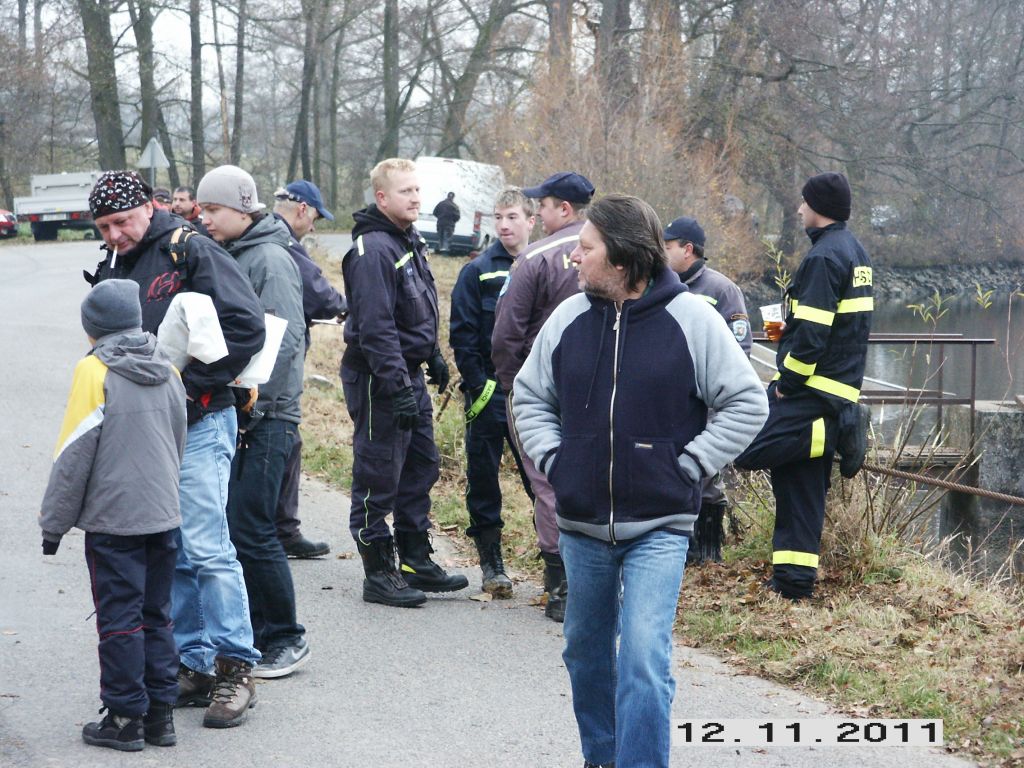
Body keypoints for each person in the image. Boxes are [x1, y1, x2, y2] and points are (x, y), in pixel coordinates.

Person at [512, 194, 768, 768]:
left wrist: (688, 466)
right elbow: (528, 397)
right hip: (581, 525)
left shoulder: (693, 319)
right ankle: (602, 757)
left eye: (586, 247)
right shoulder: (568, 318)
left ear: (623, 258)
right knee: (585, 655)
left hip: (660, 525)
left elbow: (747, 403)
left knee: (644, 661)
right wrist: (557, 461)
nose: (573, 256)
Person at [87, 169, 266, 729]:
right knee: (175, 549)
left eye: (122, 222)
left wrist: (188, 391)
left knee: (208, 547)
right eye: (104, 227)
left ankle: (237, 667)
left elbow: (247, 327)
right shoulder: (117, 261)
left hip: (203, 421)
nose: (114, 234)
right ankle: (194, 663)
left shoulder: (192, 249)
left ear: (148, 206)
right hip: (148, 434)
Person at [39, 280, 187, 752]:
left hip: (115, 520)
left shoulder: (94, 369)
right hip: (164, 513)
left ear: (93, 328)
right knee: (157, 614)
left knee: (119, 617)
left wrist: (53, 524)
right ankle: (161, 714)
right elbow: (178, 438)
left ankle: (124, 717)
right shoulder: (168, 365)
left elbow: (75, 452)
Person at [735, 171, 873, 600]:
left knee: (743, 447)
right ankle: (793, 583)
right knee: (800, 486)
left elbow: (813, 334)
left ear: (820, 208)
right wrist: (784, 331)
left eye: (804, 203)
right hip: (836, 388)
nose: (798, 210)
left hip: (813, 389)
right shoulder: (854, 251)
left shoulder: (823, 258)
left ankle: (835, 429)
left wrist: (787, 383)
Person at [196, 165, 311, 677]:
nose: (204, 218)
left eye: (213, 209)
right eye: (201, 209)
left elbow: (283, 342)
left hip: (268, 415)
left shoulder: (268, 259)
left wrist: (253, 407)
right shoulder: (234, 252)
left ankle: (286, 637)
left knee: (254, 528)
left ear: (243, 209)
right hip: (243, 412)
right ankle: (257, 633)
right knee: (240, 527)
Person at [341, 157, 468, 607]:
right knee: (378, 473)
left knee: (421, 465)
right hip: (379, 378)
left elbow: (414, 308)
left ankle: (415, 558)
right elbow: (376, 329)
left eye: (417, 190)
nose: (416, 198)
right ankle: (378, 573)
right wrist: (396, 387)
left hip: (407, 372)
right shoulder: (373, 250)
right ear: (382, 198)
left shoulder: (407, 239)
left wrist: (432, 354)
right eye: (405, 191)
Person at [491, 170, 594, 622]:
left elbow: (506, 332)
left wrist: (512, 383)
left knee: (549, 480)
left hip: (543, 388)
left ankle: (561, 584)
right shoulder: (615, 254)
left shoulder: (534, 258)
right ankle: (593, 578)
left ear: (564, 209)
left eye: (544, 206)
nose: (539, 212)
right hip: (599, 388)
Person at [449, 187, 536, 596]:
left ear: (531, 221)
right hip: (488, 393)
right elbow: (463, 335)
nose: (504, 225)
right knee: (483, 479)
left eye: (512, 217)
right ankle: (491, 563)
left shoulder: (545, 265)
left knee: (542, 481)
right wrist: (478, 385)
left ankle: (557, 564)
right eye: (498, 217)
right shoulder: (478, 270)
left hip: (535, 396)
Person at [663, 215, 752, 564]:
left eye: (667, 246)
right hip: (671, 399)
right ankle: (680, 545)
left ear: (688, 250)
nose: (661, 252)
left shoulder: (721, 290)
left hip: (707, 400)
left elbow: (740, 347)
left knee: (708, 474)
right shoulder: (661, 286)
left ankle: (709, 550)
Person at [272, 179, 348, 559]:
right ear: (302, 209)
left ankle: (276, 528)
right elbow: (319, 294)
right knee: (284, 439)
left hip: (266, 357)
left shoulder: (264, 235)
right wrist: (346, 307)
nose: (314, 227)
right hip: (275, 364)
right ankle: (279, 531)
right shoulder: (283, 242)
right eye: (316, 218)